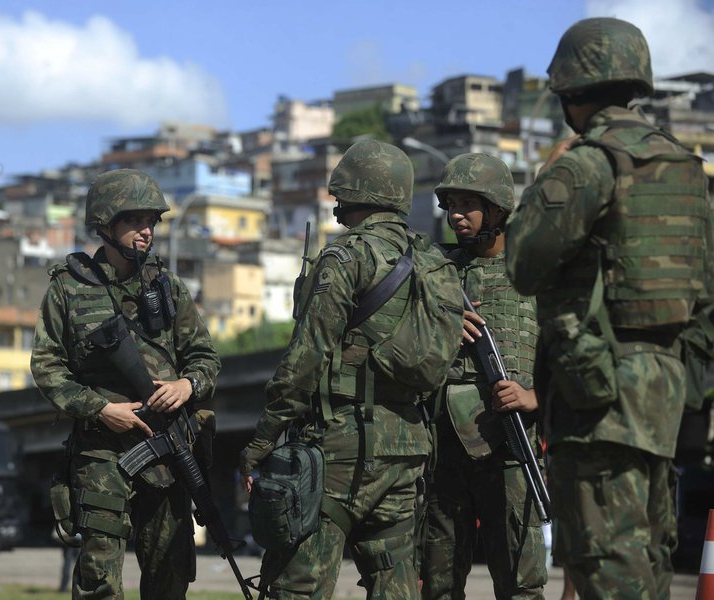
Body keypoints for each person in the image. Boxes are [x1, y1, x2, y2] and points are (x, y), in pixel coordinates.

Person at [505, 17, 712, 599]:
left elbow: (522, 263)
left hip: (596, 398)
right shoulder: (686, 171)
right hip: (664, 398)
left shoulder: (588, 165)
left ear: (572, 93)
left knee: (606, 571)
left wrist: (546, 177)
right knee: (646, 564)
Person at [239, 139, 460, 599]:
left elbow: (306, 357)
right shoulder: (435, 262)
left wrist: (263, 440)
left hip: (339, 446)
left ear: (353, 192)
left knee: (295, 583)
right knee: (394, 580)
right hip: (407, 447)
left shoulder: (346, 257)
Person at [31, 169, 221, 600]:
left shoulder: (168, 287)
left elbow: (205, 358)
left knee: (171, 574)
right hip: (101, 452)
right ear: (105, 224)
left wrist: (187, 386)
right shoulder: (67, 288)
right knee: (99, 578)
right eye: (134, 221)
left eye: (151, 221)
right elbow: (46, 367)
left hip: (168, 447)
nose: (146, 231)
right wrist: (100, 409)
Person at [421, 153, 547, 599]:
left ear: (497, 210)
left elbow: (569, 352)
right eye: (450, 203)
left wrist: (536, 397)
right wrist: (440, 325)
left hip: (511, 444)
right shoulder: (434, 273)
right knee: (437, 582)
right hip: (443, 447)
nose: (455, 214)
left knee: (520, 581)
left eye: (467, 204)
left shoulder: (534, 273)